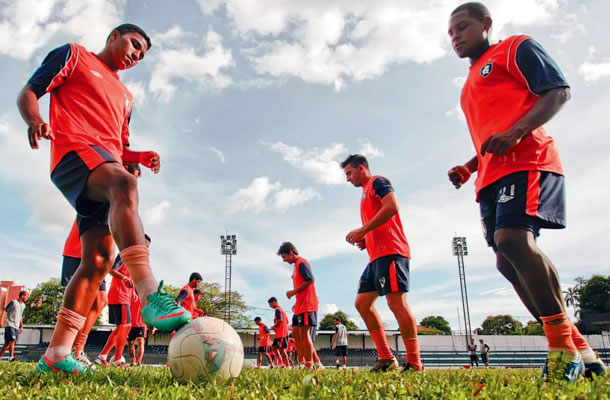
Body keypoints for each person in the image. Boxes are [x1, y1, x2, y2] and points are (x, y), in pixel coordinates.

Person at [17, 23, 190, 374]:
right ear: (114, 36)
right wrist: (35, 120)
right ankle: (150, 293)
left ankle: (57, 355)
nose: (136, 55)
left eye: (142, 55)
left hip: (105, 164)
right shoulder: (74, 55)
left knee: (97, 261)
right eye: (133, 45)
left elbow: (119, 146)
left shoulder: (126, 98)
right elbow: (30, 91)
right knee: (124, 186)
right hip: (74, 152)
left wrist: (137, 158)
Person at [447, 2, 606, 381]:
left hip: (529, 160)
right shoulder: (469, 84)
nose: (455, 36)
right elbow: (494, 130)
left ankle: (561, 349)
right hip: (490, 176)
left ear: (486, 24)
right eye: (450, 33)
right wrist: (470, 166)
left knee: (514, 240)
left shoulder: (515, 47)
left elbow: (557, 91)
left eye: (462, 27)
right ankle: (584, 352)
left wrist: (517, 132)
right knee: (506, 258)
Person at [342, 154, 422, 372]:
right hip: (375, 256)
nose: (347, 179)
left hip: (392, 252)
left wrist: (363, 229)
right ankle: (386, 357)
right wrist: (366, 240)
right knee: (362, 304)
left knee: (397, 303)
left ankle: (415, 362)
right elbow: (378, 222)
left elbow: (392, 206)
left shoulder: (377, 181)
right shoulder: (364, 194)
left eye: (349, 173)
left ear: (361, 167)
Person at [62, 164, 141, 369]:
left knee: (99, 302)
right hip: (79, 250)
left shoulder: (118, 195)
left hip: (98, 256)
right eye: (132, 175)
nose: (134, 181)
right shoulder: (106, 187)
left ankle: (77, 350)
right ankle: (61, 351)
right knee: (81, 302)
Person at [97, 235, 151, 366]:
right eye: (144, 245)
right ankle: (117, 359)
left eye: (147, 247)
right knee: (126, 326)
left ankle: (103, 356)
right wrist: (124, 279)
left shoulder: (134, 261)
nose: (145, 249)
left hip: (125, 297)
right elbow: (111, 269)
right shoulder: (124, 254)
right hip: (119, 295)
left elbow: (132, 280)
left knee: (120, 329)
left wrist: (133, 292)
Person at [278, 242, 319, 369]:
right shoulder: (296, 266)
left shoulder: (301, 262)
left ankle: (309, 363)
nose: (284, 260)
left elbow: (310, 279)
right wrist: (296, 302)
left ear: (291, 253)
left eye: (284, 257)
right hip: (300, 306)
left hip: (307, 305)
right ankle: (305, 362)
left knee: (304, 334)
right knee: (296, 334)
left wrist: (293, 292)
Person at [0, 291, 29, 361]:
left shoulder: (23, 306)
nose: (27, 298)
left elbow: (20, 316)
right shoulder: (13, 302)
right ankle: (11, 357)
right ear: (22, 296)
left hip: (16, 326)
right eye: (27, 296)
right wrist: (1, 321)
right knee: (12, 340)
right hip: (10, 325)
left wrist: (21, 326)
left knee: (7, 343)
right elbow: (5, 311)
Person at [268, 297, 290, 368]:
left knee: (282, 349)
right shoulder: (282, 310)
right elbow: (287, 321)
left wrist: (274, 326)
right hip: (281, 333)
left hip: (282, 334)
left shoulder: (278, 309)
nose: (270, 306)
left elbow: (280, 320)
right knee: (274, 347)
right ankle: (282, 364)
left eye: (270, 304)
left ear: (274, 302)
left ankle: (287, 365)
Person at [127, 291, 146, 366]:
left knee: (141, 342)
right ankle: (133, 361)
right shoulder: (130, 296)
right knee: (131, 343)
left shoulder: (145, 299)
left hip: (141, 324)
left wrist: (152, 325)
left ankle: (139, 362)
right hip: (130, 324)